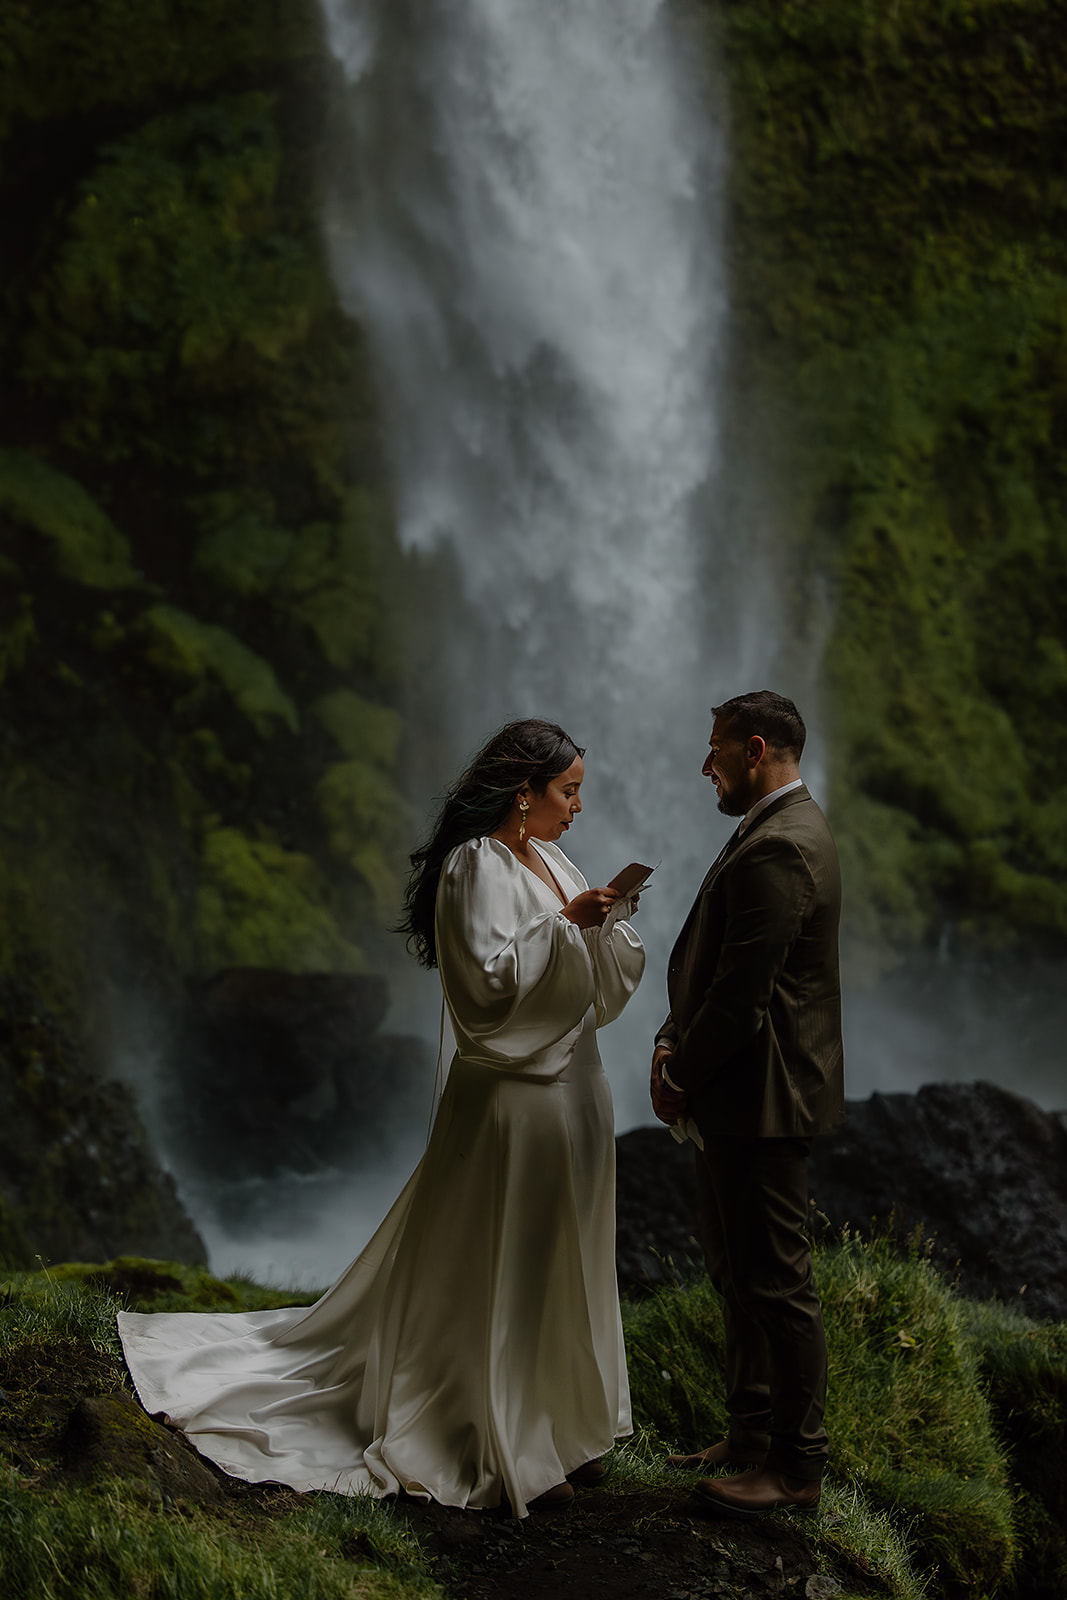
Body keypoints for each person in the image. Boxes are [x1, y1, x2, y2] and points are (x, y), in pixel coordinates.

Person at [118, 718, 644, 1518]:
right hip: (513, 1094)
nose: (576, 808)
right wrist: (568, 928)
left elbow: (595, 974)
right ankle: (498, 1434)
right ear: (523, 792)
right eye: (567, 792)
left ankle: (560, 1426)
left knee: (560, 1249)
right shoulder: (474, 865)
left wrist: (600, 922)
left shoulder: (551, 856)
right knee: (503, 1257)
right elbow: (485, 983)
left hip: (574, 1084)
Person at [649, 691, 843, 1519]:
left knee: (776, 1284)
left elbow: (740, 997)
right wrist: (667, 1038)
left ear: (755, 749)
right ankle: (750, 1436)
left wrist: (678, 1072)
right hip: (744, 1092)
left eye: (715, 750)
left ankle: (796, 1470)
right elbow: (716, 965)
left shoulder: (781, 844)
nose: (705, 766)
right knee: (738, 1276)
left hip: (761, 1098)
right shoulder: (774, 829)